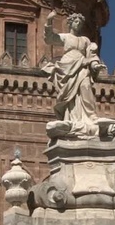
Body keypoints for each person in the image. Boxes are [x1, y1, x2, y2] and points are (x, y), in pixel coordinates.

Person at [42, 11, 105, 139]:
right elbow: (50, 39)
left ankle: (90, 115)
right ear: (70, 23)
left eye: (80, 23)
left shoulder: (85, 40)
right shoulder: (66, 37)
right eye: (76, 22)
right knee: (69, 97)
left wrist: (95, 65)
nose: (78, 25)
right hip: (67, 66)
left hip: (82, 65)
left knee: (85, 87)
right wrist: (49, 22)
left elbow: (91, 55)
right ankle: (71, 117)